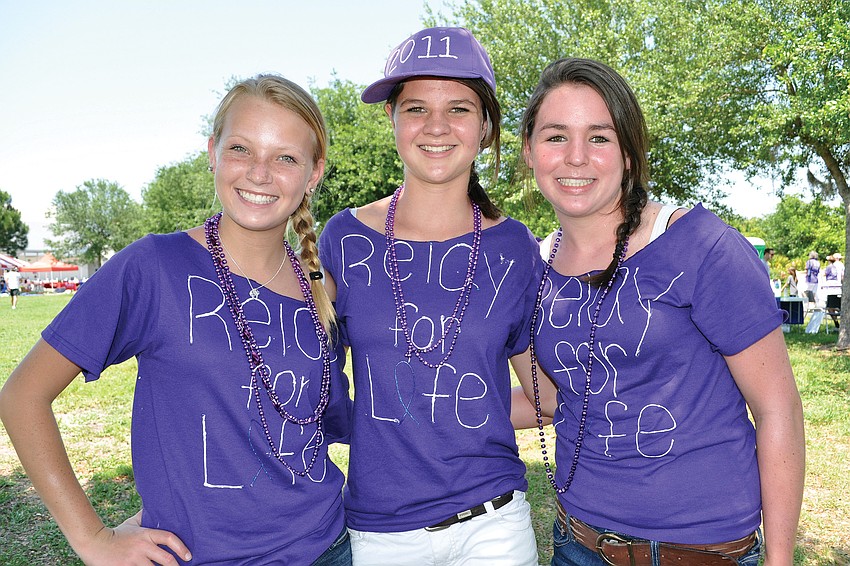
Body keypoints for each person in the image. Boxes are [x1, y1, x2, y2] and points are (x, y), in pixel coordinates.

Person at [0, 75, 353, 566]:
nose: (259, 172)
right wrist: (93, 539)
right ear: (212, 152)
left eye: (286, 157)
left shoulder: (324, 293)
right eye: (240, 148)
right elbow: (22, 395)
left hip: (329, 548)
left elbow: (332, 421)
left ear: (313, 174)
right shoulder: (153, 267)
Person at [516, 58, 805, 566]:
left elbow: (777, 409)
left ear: (628, 153)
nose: (576, 157)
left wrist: (780, 559)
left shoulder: (702, 246)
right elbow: (560, 401)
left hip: (700, 551)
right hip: (577, 545)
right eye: (556, 136)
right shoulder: (535, 269)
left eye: (600, 138)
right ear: (530, 151)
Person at [318, 26, 540, 566]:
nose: (436, 126)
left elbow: (544, 395)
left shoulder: (515, 247)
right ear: (391, 118)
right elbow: (312, 389)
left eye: (459, 108)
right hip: (381, 530)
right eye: (416, 107)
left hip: (494, 525)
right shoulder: (343, 239)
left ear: (486, 126)